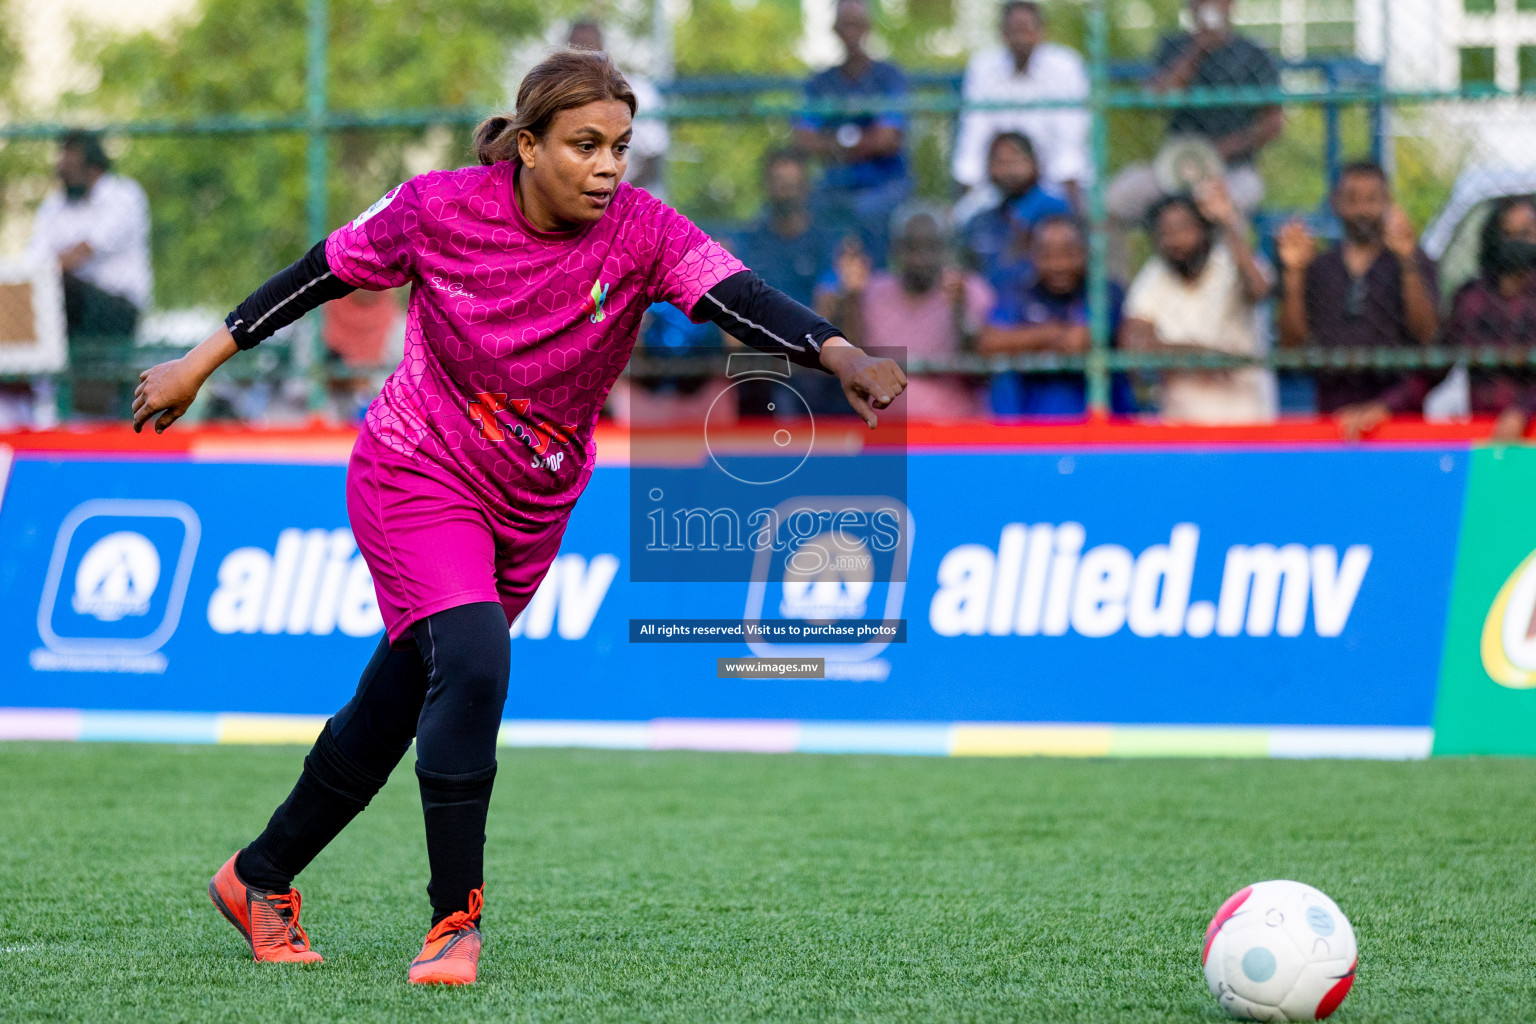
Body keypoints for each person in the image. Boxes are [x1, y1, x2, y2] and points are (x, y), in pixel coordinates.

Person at [132, 49, 905, 986]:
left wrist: (837, 349)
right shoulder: (438, 208)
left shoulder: (642, 230)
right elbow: (317, 274)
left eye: (621, 145)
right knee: (473, 659)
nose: (609, 165)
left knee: (401, 700)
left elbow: (739, 294)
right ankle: (454, 922)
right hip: (416, 467)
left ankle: (259, 876)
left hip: (533, 499)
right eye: (585, 145)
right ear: (528, 145)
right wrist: (195, 364)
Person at [1276, 161, 1439, 438]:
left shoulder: (1413, 259)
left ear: (1387, 202)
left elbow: (1427, 335)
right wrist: (1294, 273)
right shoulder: (1319, 267)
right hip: (1333, 412)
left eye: (1372, 200)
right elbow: (1292, 344)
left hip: (1397, 412)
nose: (1362, 210)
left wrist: (1408, 263)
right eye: (1352, 200)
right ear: (1335, 203)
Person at [1106, 0, 1282, 239]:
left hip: (1232, 169)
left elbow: (1273, 123)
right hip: (1173, 168)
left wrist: (1223, 150)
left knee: (1231, 208)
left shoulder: (1253, 53)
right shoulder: (1173, 46)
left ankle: (1227, 275)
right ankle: (1113, 278)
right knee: (1111, 203)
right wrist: (1198, 48)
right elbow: (1153, 99)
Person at [816, 204, 992, 420]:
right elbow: (848, 367)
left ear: (946, 250)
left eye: (931, 247)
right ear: (894, 249)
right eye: (911, 247)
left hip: (955, 435)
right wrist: (851, 299)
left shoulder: (968, 290)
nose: (921, 258)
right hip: (886, 436)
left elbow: (979, 374)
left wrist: (959, 311)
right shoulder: (871, 292)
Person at [1121, 181, 1275, 424]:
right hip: (1180, 430)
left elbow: (1259, 290)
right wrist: (1201, 355)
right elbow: (1135, 345)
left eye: (1183, 229)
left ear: (1204, 230)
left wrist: (1228, 224)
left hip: (1246, 421)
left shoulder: (1231, 261)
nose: (1175, 241)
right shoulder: (1154, 275)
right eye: (1165, 233)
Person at [26, 131, 153, 417]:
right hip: (65, 305)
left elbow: (82, 252)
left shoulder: (124, 196)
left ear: (94, 167)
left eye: (70, 168)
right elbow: (34, 260)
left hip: (117, 307)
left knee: (57, 285)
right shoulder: (54, 206)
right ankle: (36, 391)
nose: (64, 175)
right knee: (37, 290)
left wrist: (43, 271)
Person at [978, 215, 1136, 417]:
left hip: (1098, 429)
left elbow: (1078, 342)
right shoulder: (1018, 292)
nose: (1059, 265)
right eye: (1048, 255)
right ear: (1032, 255)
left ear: (1085, 252)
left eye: (1069, 253)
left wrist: (1022, 341)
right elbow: (989, 343)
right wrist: (1051, 334)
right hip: (1028, 429)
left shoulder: (1104, 291)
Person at [793, 0, 911, 265]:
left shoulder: (889, 77)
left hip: (886, 184)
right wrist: (861, 140)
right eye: (845, 24)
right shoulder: (819, 82)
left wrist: (835, 144)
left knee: (868, 213)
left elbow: (888, 139)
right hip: (833, 185)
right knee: (802, 211)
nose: (851, 31)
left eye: (857, 24)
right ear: (835, 29)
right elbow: (803, 139)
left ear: (869, 27)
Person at [951, 1, 1090, 212]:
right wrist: (968, 186)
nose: (1021, 38)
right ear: (1002, 34)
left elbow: (1070, 141)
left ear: (1042, 32)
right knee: (963, 219)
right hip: (996, 186)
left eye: (1028, 29)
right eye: (1014, 30)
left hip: (1053, 185)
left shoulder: (1065, 66)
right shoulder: (983, 67)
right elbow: (974, 133)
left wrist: (1061, 192)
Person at [1441, 195, 1536, 441]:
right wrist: (1385, 405)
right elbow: (1435, 363)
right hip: (1484, 432)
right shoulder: (1472, 297)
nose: (1517, 245)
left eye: (1526, 234)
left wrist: (1522, 411)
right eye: (1508, 235)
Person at [567, 19, 669, 198]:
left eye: (588, 46)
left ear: (602, 48)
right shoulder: (557, 98)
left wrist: (613, 196)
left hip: (634, 204)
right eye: (576, 48)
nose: (583, 55)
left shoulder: (639, 92)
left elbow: (653, 160)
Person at [959, 132, 1072, 291]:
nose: (1008, 170)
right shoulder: (980, 220)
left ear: (1034, 163)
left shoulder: (1055, 211)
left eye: (1015, 161)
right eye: (1000, 162)